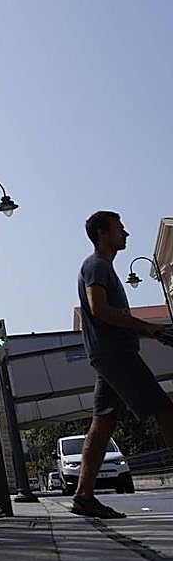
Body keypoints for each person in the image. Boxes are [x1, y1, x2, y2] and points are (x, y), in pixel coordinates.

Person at [69, 211, 173, 519]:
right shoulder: (96, 266)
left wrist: (151, 332)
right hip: (115, 355)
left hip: (111, 354)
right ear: (103, 233)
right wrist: (149, 327)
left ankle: (84, 496)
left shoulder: (102, 267)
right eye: (120, 229)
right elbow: (99, 309)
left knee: (104, 424)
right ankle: (84, 496)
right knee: (164, 409)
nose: (126, 233)